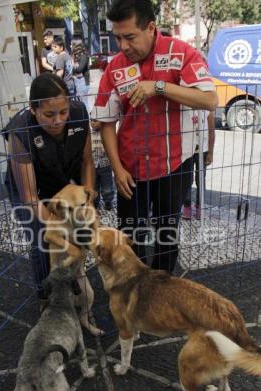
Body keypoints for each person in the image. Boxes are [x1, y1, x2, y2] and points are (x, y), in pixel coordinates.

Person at [91, 0, 218, 273]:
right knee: (130, 235)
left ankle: (161, 292)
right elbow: (106, 122)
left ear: (150, 28)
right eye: (117, 38)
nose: (123, 46)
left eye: (129, 37)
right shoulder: (114, 68)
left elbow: (209, 100)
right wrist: (117, 168)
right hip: (130, 169)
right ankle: (133, 292)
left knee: (166, 232)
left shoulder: (182, 53)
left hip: (174, 165)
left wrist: (159, 87)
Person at [3, 73, 94, 302]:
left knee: (79, 233)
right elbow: (30, 197)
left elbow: (87, 161)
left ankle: (73, 280)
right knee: (42, 240)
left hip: (63, 180)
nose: (58, 120)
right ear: (33, 109)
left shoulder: (79, 114)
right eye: (49, 114)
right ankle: (46, 298)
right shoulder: (20, 133)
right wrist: (61, 228)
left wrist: (88, 200)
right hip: (31, 190)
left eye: (63, 112)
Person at [183, 110, 215, 220]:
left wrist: (210, 153)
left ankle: (199, 207)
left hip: (203, 151)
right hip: (188, 151)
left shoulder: (207, 111)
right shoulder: (186, 108)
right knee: (187, 179)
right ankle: (186, 206)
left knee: (200, 180)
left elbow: (211, 132)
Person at [90, 119, 115, 210]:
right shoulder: (88, 135)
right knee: (94, 185)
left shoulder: (107, 134)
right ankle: (95, 201)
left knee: (107, 185)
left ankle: (108, 201)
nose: (93, 123)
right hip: (93, 166)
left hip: (105, 165)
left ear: (103, 121)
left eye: (96, 120)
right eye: (91, 120)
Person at [71, 38, 90, 111]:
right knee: (80, 102)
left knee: (84, 102)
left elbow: (80, 69)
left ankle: (87, 119)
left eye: (71, 45)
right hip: (79, 81)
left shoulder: (83, 56)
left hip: (83, 82)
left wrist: (70, 69)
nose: (70, 46)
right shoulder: (77, 57)